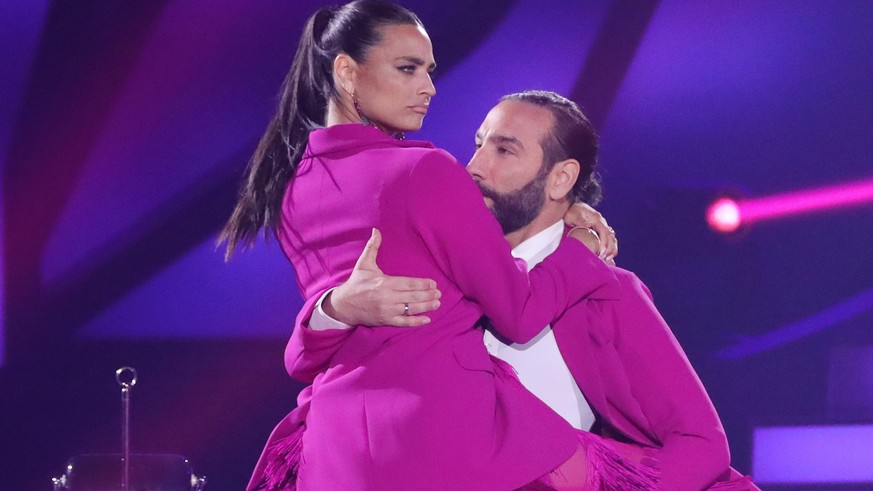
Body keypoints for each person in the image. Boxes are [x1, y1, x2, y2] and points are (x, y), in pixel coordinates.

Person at [221, 2, 643, 490]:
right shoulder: (426, 171)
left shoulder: (293, 187)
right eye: (407, 69)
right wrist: (582, 243)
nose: (429, 87)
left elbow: (301, 360)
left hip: (336, 450)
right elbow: (520, 313)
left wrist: (332, 308)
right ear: (346, 73)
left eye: (428, 70)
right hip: (442, 439)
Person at [301, 91, 761, 490]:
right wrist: (335, 305)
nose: (474, 168)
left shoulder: (607, 292)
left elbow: (700, 441)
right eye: (478, 145)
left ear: (560, 179)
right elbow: (322, 364)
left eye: (504, 151)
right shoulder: (443, 275)